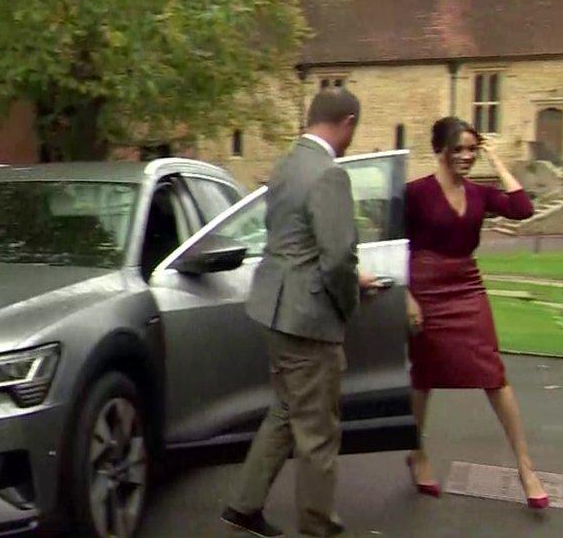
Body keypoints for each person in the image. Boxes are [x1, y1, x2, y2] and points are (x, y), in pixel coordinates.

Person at [221, 88, 382, 537]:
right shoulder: (330, 174)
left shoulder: (287, 164)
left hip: (273, 311)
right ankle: (317, 528)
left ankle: (242, 506)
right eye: (354, 130)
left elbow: (295, 243)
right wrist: (349, 303)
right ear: (347, 122)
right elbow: (336, 258)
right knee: (318, 433)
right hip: (307, 322)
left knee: (286, 411)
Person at [404, 117, 548, 508]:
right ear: (441, 151)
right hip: (425, 288)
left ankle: (525, 466)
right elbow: (397, 245)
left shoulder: (479, 194)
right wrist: (407, 297)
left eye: (471, 149)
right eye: (459, 149)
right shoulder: (415, 193)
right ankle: (417, 453)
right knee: (424, 378)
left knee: (493, 375)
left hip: (467, 287)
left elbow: (521, 207)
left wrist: (495, 157)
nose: (466, 156)